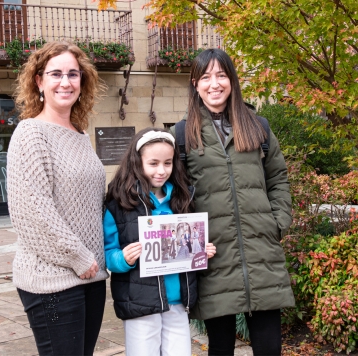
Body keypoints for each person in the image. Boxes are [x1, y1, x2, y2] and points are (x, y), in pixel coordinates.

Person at [170, 48, 295, 356]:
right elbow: (174, 194)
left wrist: (277, 222)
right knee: (221, 348)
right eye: (206, 76)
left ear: (232, 80)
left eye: (222, 75)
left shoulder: (257, 127)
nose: (215, 83)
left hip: (261, 251)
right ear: (195, 84)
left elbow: (278, 179)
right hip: (213, 255)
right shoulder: (183, 134)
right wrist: (192, 245)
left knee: (269, 348)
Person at [7, 41, 108, 355]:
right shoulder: (30, 133)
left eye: (73, 74)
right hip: (52, 280)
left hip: (91, 277)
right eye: (56, 74)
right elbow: (33, 212)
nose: (66, 82)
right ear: (39, 81)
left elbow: (93, 204)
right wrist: (79, 258)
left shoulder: (79, 134)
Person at [103, 127, 216, 356]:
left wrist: (200, 249)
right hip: (141, 304)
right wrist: (123, 259)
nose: (161, 171)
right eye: (153, 163)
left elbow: (187, 244)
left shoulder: (182, 198)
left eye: (168, 163)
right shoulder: (119, 203)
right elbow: (108, 252)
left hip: (177, 301)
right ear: (137, 162)